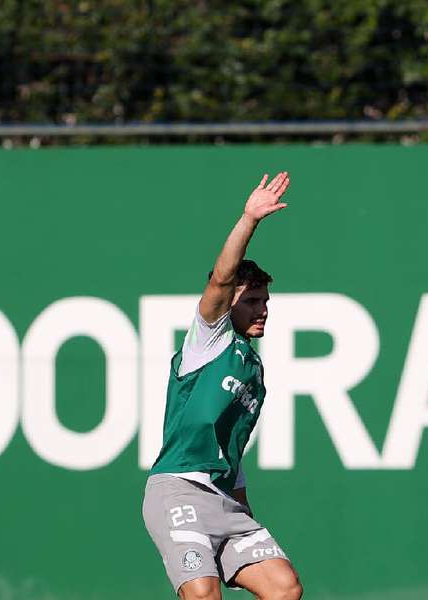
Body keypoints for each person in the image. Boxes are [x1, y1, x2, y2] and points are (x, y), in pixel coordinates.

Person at [143, 172, 302, 600]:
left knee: (285, 588)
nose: (262, 309)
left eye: (265, 301)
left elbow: (233, 453)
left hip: (225, 503)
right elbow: (220, 279)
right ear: (230, 303)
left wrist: (244, 513)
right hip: (179, 492)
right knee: (202, 594)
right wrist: (249, 219)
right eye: (252, 301)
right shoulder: (208, 341)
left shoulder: (253, 370)